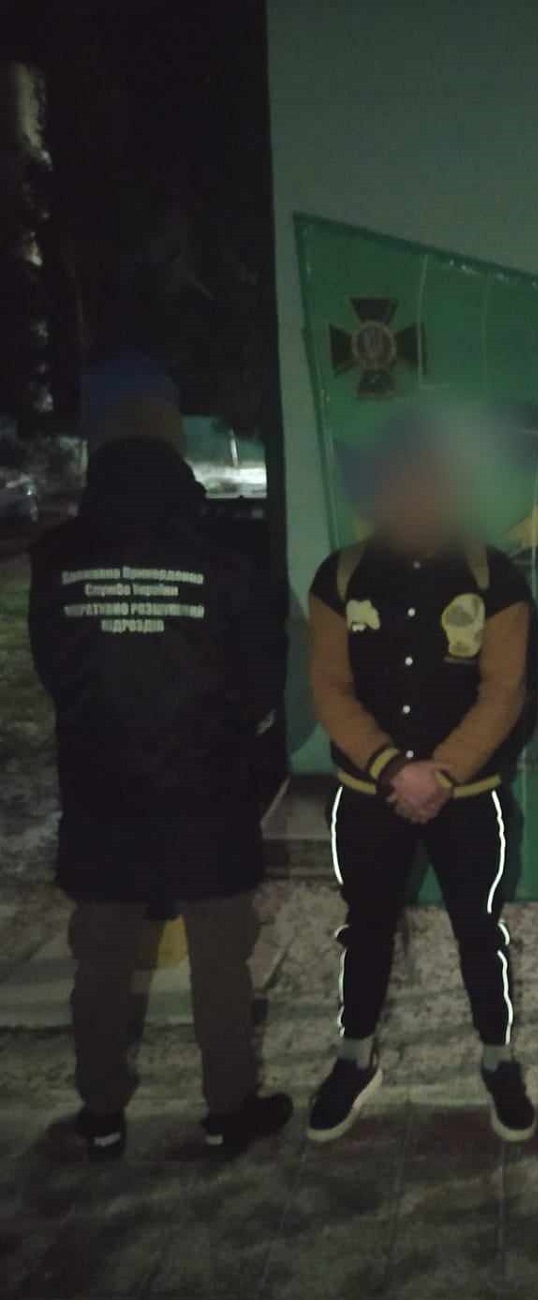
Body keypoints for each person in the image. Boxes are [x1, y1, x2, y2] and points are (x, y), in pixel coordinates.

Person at [29, 356, 292, 1159]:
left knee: (102, 955)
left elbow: (54, 668)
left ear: (97, 440)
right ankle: (227, 1108)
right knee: (219, 954)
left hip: (102, 784)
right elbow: (262, 679)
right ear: (173, 437)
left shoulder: (58, 555)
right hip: (206, 783)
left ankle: (101, 1111)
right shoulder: (225, 550)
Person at [305, 421, 538, 1143]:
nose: (414, 496)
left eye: (428, 482)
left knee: (480, 929)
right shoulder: (339, 576)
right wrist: (388, 767)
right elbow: (329, 687)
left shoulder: (495, 578)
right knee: (366, 927)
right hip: (367, 797)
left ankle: (497, 1056)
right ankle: (355, 1056)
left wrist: (441, 771)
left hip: (467, 800)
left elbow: (504, 691)